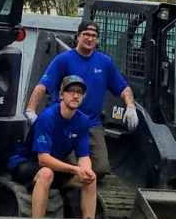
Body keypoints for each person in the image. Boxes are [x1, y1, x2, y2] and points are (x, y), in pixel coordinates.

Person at [25, 20, 138, 178]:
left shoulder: (105, 63)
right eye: (86, 34)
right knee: (71, 168)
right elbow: (42, 86)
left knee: (101, 169)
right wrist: (31, 110)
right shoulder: (63, 60)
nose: (90, 39)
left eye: (94, 36)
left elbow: (124, 88)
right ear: (78, 36)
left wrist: (130, 107)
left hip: (92, 124)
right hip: (66, 123)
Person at [8, 74, 103, 219]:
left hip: (56, 166)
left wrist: (86, 170)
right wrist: (75, 169)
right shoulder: (47, 118)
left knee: (90, 178)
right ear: (61, 95)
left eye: (80, 92)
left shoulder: (82, 121)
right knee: (46, 174)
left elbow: (83, 156)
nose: (75, 96)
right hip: (26, 163)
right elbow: (43, 159)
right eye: (71, 91)